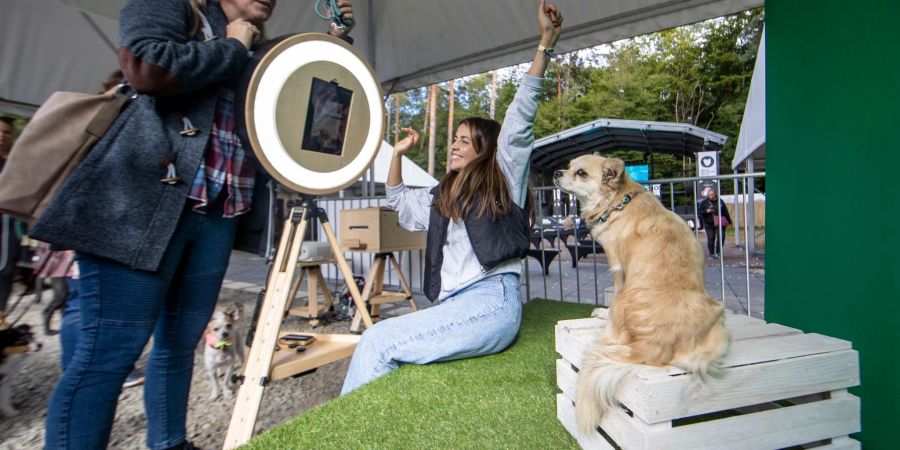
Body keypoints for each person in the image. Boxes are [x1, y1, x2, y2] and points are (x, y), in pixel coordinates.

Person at [33, 1, 355, 449]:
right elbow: (146, 65)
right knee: (107, 355)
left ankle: (169, 442)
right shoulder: (169, 6)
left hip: (218, 213)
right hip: (141, 209)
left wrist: (334, 44)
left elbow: (299, 93)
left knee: (180, 344)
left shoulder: (255, 46)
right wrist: (231, 45)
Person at [341, 0, 563, 395]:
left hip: (491, 302)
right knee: (390, 352)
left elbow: (519, 119)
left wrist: (545, 44)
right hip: (455, 305)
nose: (455, 146)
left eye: (464, 140)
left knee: (375, 341)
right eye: (455, 139)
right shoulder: (443, 194)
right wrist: (395, 155)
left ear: (485, 149)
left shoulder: (503, 177)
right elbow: (398, 202)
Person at [0, 116, 24, 327]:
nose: (1, 136)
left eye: (6, 132)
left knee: (4, 272)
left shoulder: (14, 165)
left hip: (7, 227)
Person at [698, 187, 733, 259]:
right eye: (710, 195)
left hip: (719, 223)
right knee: (711, 238)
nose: (711, 196)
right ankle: (711, 254)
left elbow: (725, 212)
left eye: (713, 194)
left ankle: (718, 252)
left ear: (715, 194)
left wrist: (729, 221)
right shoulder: (704, 203)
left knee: (721, 236)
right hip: (709, 223)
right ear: (708, 195)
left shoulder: (720, 202)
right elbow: (699, 212)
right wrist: (706, 211)